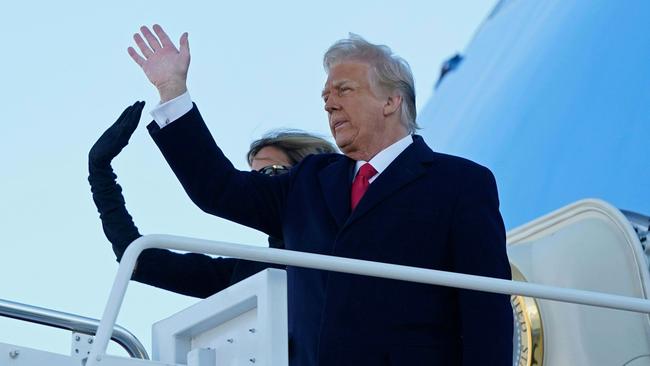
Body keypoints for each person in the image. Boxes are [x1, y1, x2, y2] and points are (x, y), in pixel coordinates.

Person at [126, 24, 513, 365]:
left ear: (391, 101)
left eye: (344, 89)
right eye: (325, 95)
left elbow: (486, 310)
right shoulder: (308, 181)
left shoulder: (461, 182)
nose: (329, 103)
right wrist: (173, 92)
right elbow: (219, 189)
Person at [88, 104, 336, 297]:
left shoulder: (351, 241)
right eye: (254, 177)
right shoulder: (249, 274)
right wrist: (100, 173)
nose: (261, 184)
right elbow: (136, 257)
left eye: (272, 172)